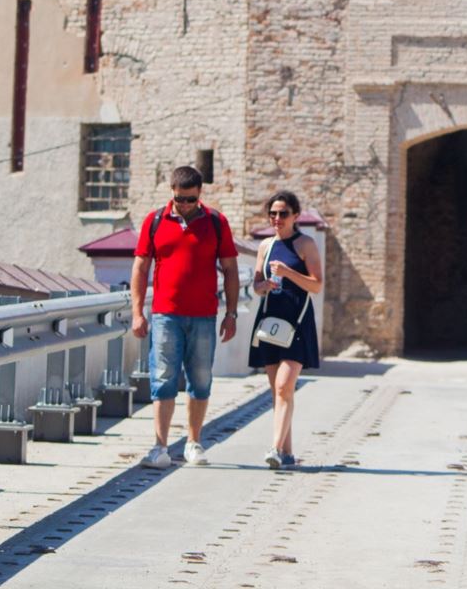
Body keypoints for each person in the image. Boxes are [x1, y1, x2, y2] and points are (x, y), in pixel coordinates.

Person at [130, 165, 240, 469]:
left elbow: (230, 270)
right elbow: (140, 268)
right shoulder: (155, 221)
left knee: (200, 379)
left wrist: (231, 314)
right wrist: (137, 312)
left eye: (191, 199)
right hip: (166, 314)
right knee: (163, 378)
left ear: (200, 194)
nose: (185, 205)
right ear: (172, 193)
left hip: (204, 315)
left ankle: (193, 442)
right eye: (180, 199)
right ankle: (160, 447)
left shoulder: (216, 222)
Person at [248, 190, 323, 469]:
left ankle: (275, 449)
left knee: (284, 386)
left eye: (283, 213)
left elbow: (316, 285)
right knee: (279, 392)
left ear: (295, 216)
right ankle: (288, 453)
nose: (277, 218)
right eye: (273, 213)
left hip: (297, 323)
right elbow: (256, 286)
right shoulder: (265, 247)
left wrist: (289, 273)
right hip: (270, 323)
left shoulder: (305, 244)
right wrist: (263, 285)